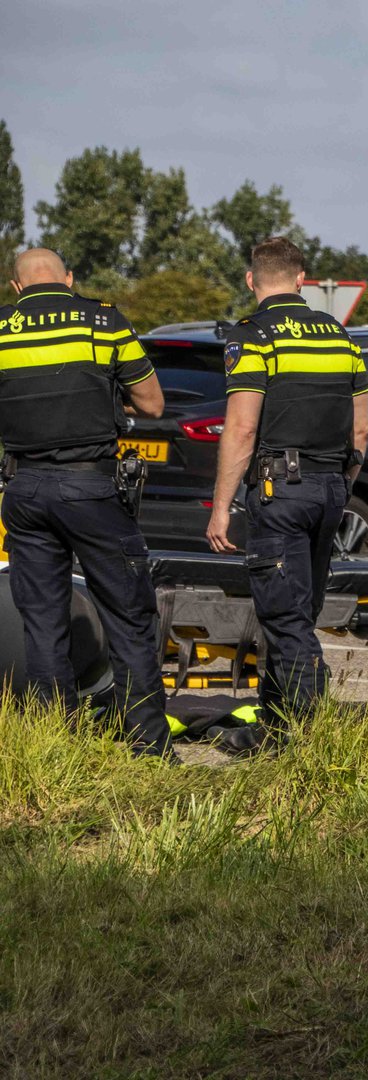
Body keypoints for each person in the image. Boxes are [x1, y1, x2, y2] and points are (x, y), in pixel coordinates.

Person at [0, 249, 170, 756]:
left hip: (24, 490)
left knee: (44, 622)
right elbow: (153, 403)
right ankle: (146, 743)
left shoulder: (4, 330)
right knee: (129, 614)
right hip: (91, 488)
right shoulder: (103, 321)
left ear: (15, 287)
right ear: (69, 279)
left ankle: (56, 744)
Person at [206, 237, 368, 736]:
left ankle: (306, 737)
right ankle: (274, 728)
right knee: (300, 610)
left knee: (285, 618)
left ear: (251, 280)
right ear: (302, 280)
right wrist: (341, 485)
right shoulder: (341, 338)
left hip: (281, 491)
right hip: (330, 492)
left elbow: (241, 428)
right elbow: (361, 431)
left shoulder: (253, 335)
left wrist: (221, 508)